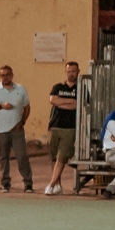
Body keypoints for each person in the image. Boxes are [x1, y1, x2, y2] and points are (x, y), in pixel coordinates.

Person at [0, 64, 32, 193]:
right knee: (3, 158)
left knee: (22, 157)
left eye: (7, 75)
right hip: (1, 129)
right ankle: (5, 183)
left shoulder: (21, 89)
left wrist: (22, 122)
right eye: (2, 75)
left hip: (17, 129)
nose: (5, 77)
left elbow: (27, 107)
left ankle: (28, 183)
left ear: (12, 75)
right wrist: (0, 106)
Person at [43, 61, 78, 195]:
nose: (71, 74)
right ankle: (58, 184)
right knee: (53, 156)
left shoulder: (81, 88)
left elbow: (77, 105)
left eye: (73, 71)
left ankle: (51, 184)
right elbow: (53, 100)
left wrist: (61, 102)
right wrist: (69, 101)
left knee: (61, 157)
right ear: (65, 72)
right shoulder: (58, 87)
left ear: (78, 72)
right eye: (69, 71)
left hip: (69, 127)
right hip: (55, 125)